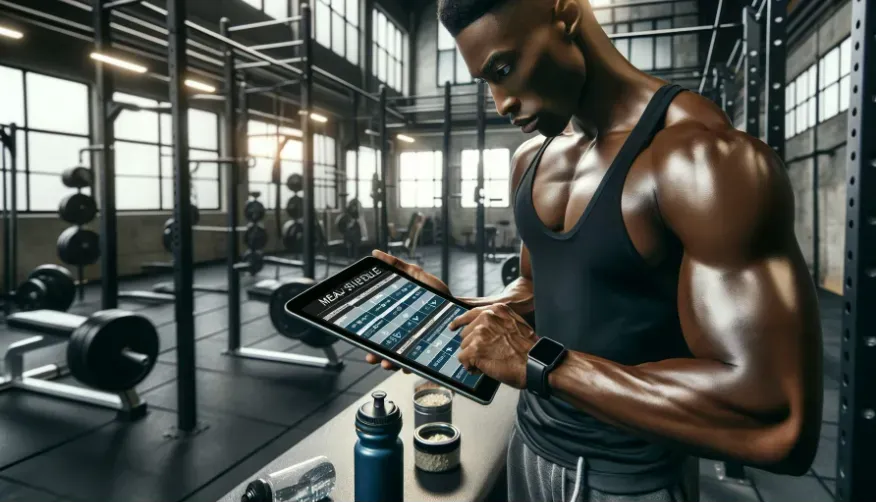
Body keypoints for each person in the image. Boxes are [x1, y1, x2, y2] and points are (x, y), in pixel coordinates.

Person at [366, 0, 824, 501]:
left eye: (504, 68)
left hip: (627, 479)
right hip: (529, 446)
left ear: (563, 13)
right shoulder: (531, 159)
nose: (500, 102)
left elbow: (776, 415)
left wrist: (542, 363)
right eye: (486, 81)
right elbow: (539, 289)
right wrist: (450, 314)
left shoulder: (703, 160)